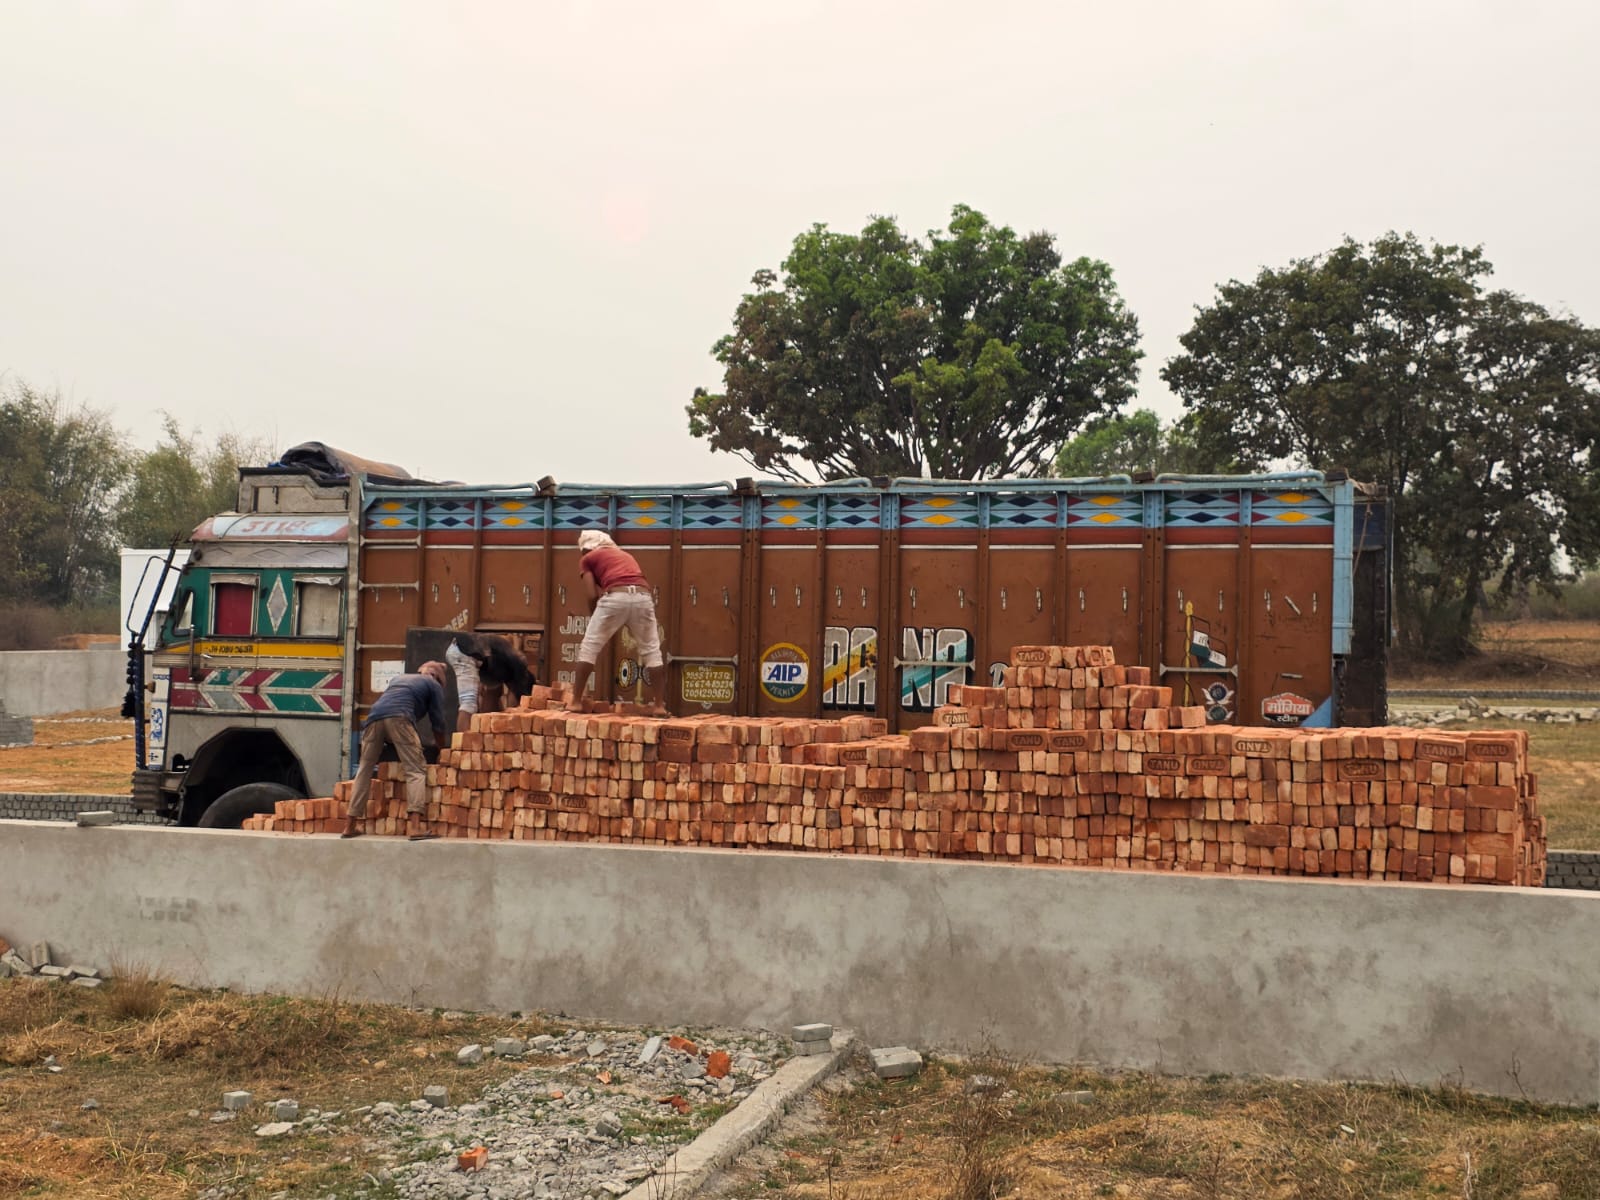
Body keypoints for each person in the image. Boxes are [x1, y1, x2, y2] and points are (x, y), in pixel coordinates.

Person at [341, 661, 450, 841]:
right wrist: (442, 749)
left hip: (373, 719)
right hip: (400, 719)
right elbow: (438, 723)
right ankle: (415, 827)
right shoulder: (433, 685)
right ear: (438, 678)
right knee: (415, 770)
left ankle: (349, 825)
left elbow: (387, 711)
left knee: (364, 770)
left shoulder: (399, 679)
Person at [567, 530, 666, 714]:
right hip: (643, 596)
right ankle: (659, 706)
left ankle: (575, 702)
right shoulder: (624, 555)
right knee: (652, 650)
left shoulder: (588, 558)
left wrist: (594, 617)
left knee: (589, 647)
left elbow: (591, 594)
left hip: (616, 596)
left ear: (587, 548)